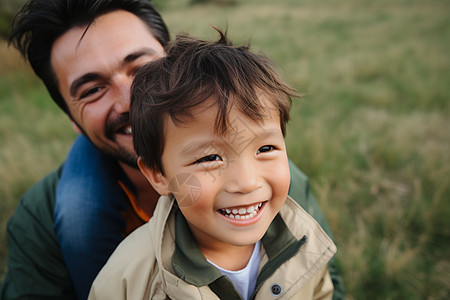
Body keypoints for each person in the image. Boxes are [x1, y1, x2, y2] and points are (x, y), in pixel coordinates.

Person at [0, 0, 345, 299]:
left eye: (142, 68)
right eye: (92, 89)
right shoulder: (43, 216)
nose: (129, 100)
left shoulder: (273, 184)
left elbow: (324, 281)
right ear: (71, 118)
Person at [89, 29, 337, 300]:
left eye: (265, 148)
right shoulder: (127, 279)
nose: (247, 182)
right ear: (159, 175)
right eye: (209, 158)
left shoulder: (303, 239)